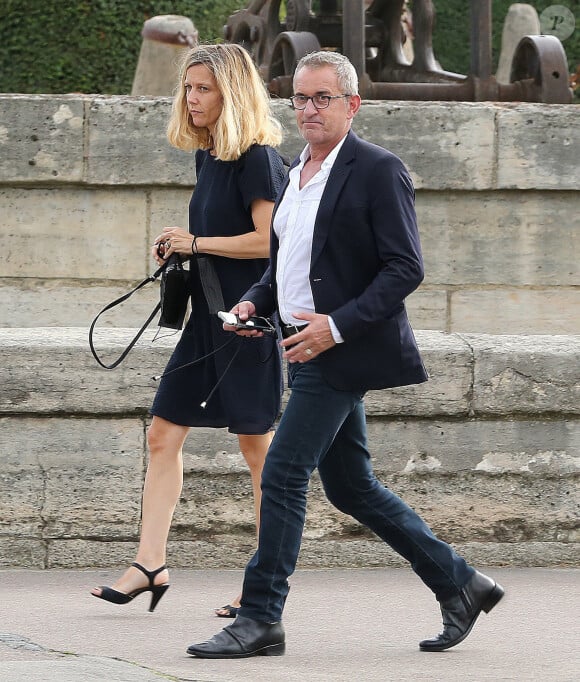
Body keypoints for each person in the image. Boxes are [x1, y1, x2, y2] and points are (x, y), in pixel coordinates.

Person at [186, 50, 504, 658]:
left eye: (322, 98)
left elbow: (405, 267)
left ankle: (260, 618)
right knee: (352, 487)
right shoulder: (295, 171)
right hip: (300, 342)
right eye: (300, 99)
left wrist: (337, 326)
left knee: (281, 473)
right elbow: (287, 264)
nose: (308, 109)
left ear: (352, 105)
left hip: (337, 350)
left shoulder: (378, 170)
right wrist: (255, 303)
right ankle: (461, 582)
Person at [91, 43, 286, 617]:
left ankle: (263, 582)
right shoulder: (210, 157)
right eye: (187, 87)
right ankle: (149, 564)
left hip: (246, 324)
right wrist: (181, 248)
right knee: (161, 435)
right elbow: (218, 241)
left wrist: (196, 243)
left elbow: (269, 242)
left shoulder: (258, 157)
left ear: (232, 91)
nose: (191, 98)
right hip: (205, 322)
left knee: (258, 450)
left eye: (202, 88)